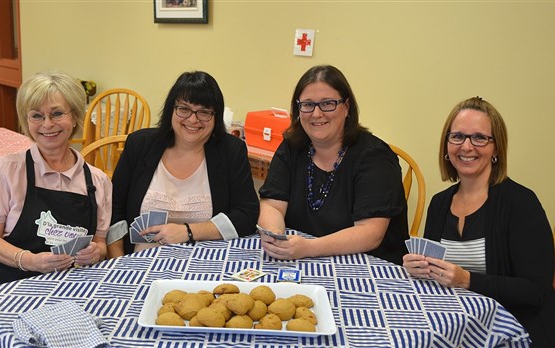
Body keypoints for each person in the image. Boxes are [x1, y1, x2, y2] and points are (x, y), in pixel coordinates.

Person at [403, 96, 554, 346]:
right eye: (458, 136)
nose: (467, 146)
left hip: (512, 331)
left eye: (480, 137)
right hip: (457, 325)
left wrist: (467, 280)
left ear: (496, 148)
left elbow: (537, 292)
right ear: (446, 145)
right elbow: (434, 272)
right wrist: (418, 267)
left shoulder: (521, 203)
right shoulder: (440, 203)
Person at [0, 72, 112, 291]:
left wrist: (97, 252)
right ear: (26, 120)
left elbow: (101, 244)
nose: (47, 124)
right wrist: (30, 261)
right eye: (36, 116)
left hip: (66, 286)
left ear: (76, 117)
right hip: (4, 283)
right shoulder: (8, 170)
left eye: (57, 113)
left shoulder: (98, 181)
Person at [257, 65, 408, 265]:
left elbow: (370, 234)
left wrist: (308, 248)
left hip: (369, 266)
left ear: (346, 107)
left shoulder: (375, 157)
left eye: (328, 104)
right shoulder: (292, 146)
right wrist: (277, 236)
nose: (317, 114)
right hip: (301, 259)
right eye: (308, 105)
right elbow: (272, 205)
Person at [109, 71, 259, 257]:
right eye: (184, 109)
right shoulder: (140, 145)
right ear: (171, 109)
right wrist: (119, 263)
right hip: (140, 262)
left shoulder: (231, 151)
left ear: (216, 116)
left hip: (205, 261)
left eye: (204, 112)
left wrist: (187, 232)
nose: (193, 119)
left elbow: (247, 215)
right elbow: (114, 211)